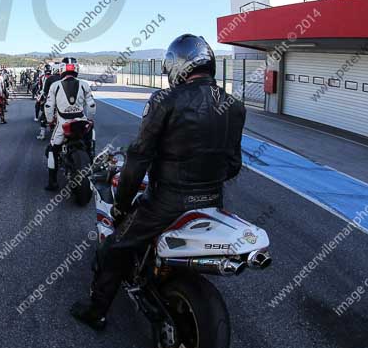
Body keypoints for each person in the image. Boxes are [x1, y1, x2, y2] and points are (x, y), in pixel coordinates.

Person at [70, 34, 246, 330]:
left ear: (180, 65)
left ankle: (96, 311)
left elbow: (139, 157)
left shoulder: (165, 100)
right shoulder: (235, 106)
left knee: (114, 247)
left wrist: (121, 206)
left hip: (167, 202)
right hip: (213, 202)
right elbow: (232, 165)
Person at [43, 59, 96, 191]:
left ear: (61, 69)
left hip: (63, 123)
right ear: (76, 69)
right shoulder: (84, 84)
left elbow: (49, 106)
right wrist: (89, 119)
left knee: (52, 149)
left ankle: (52, 182)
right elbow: (91, 105)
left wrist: (50, 120)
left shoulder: (55, 85)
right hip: (82, 122)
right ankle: (91, 158)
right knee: (90, 143)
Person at [37, 63, 62, 140]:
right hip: (63, 102)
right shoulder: (64, 78)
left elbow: (44, 91)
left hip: (52, 101)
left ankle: (42, 135)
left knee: (44, 117)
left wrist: (42, 99)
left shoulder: (49, 78)